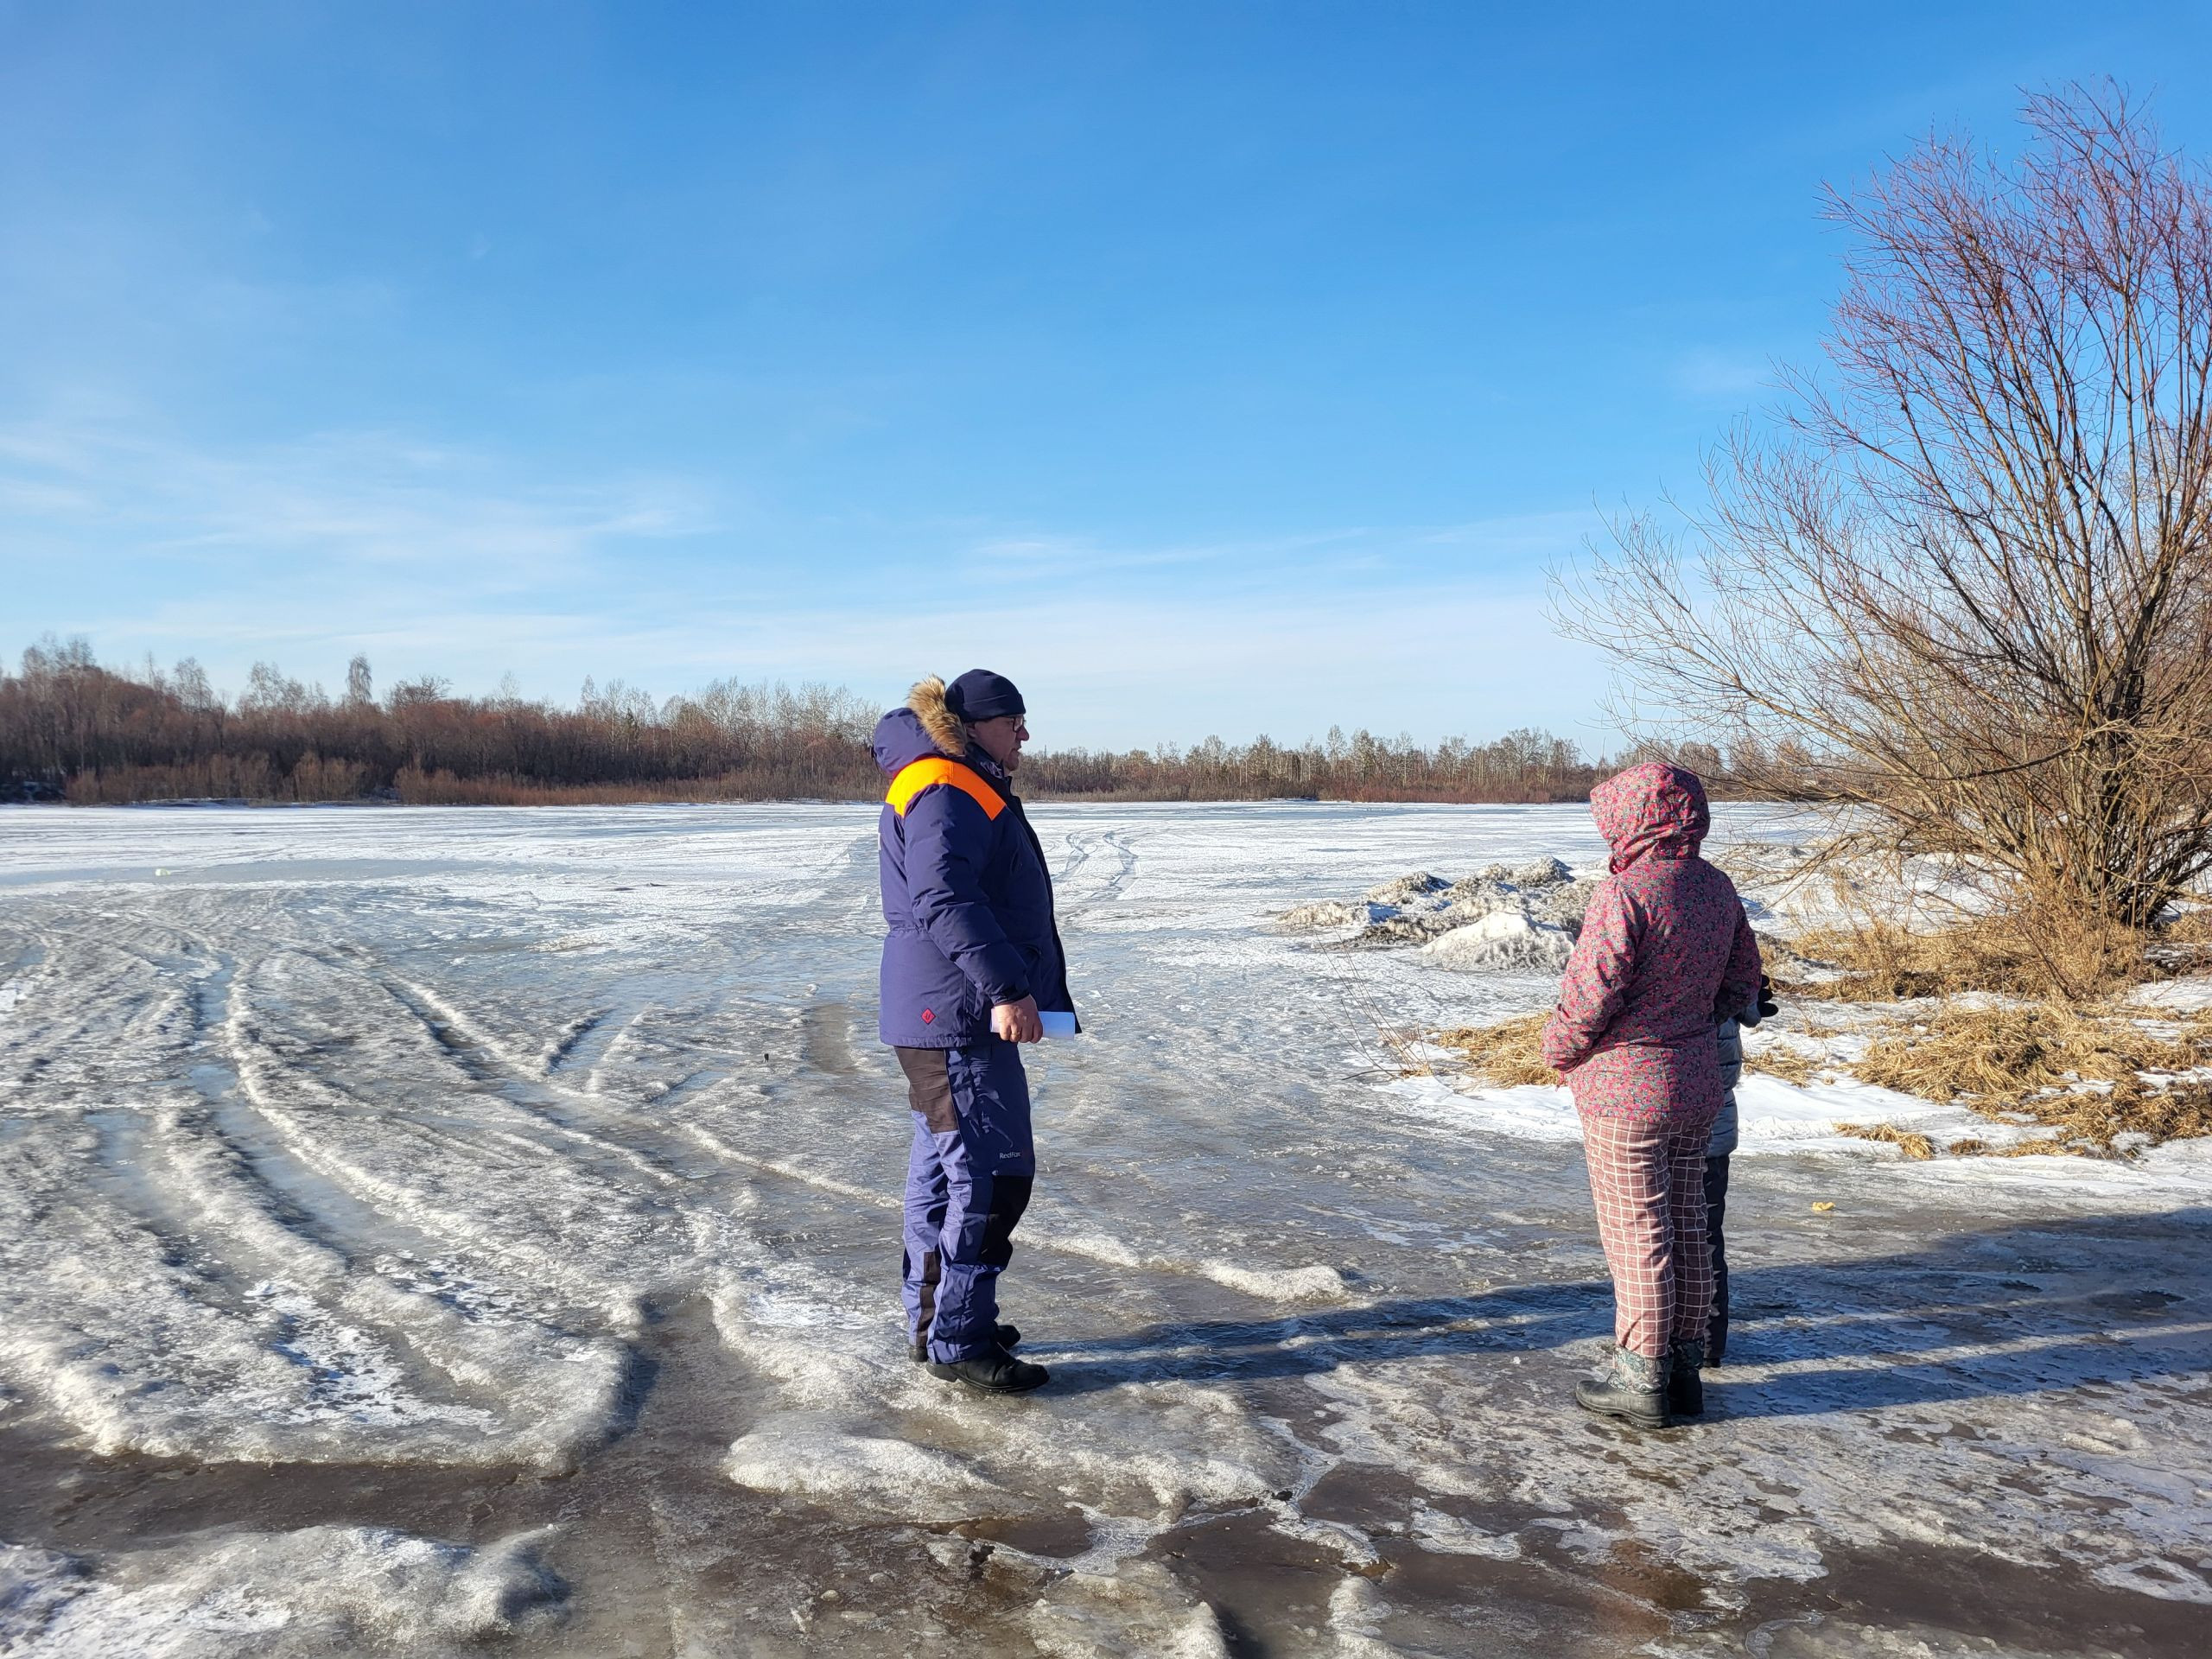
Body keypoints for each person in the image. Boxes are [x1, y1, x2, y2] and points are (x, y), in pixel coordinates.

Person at [873, 669, 1077, 1395]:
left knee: (943, 1169)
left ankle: (939, 1321)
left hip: (942, 1008)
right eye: (1013, 720)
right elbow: (942, 896)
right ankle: (958, 1335)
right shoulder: (947, 785)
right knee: (992, 1176)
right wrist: (1008, 987)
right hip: (957, 1011)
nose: (1025, 733)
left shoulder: (953, 780)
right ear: (975, 725)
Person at [1541, 762, 1761, 1429]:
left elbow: (1590, 994)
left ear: (1630, 820)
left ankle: (1640, 1377)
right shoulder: (1716, 888)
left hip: (1627, 1089)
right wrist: (1696, 1016)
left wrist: (1559, 1048)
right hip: (1698, 1080)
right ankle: (1684, 1367)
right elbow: (1744, 979)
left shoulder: (1625, 893)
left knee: (1639, 1231)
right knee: (1688, 1223)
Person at [1705, 972, 1777, 1367]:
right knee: (1706, 1238)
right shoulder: (1727, 974)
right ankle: (1707, 1343)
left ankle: (1668, 1345)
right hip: (1716, 1128)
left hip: (1680, 1127)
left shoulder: (1683, 986)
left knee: (1658, 1239)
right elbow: (1748, 1005)